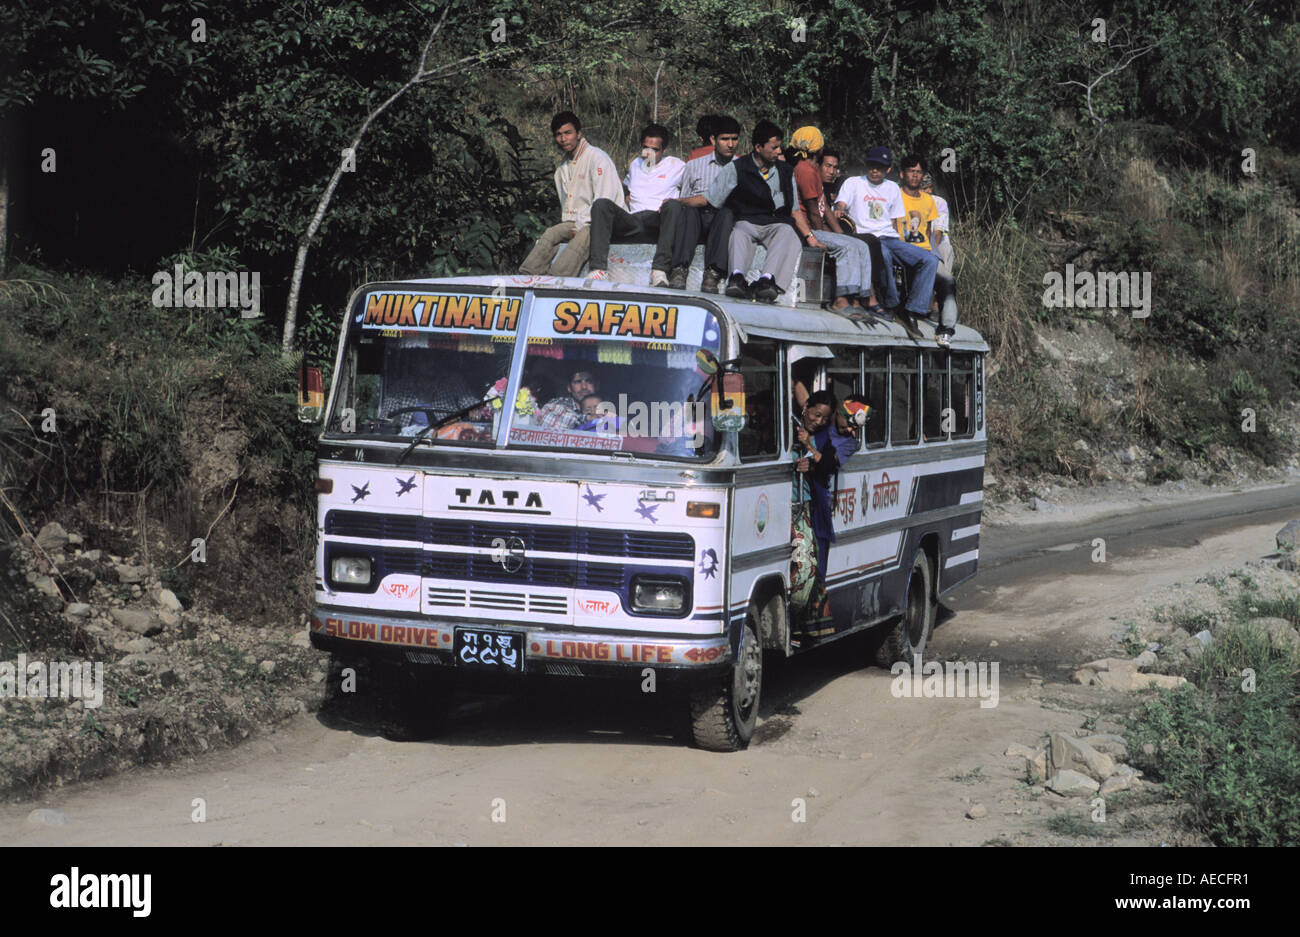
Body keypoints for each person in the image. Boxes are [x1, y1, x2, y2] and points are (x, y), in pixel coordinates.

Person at [705, 120, 821, 303]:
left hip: (776, 223)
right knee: (739, 233)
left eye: (779, 147)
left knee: (788, 233)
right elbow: (713, 199)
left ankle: (767, 280)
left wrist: (810, 237)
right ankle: (736, 277)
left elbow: (794, 210)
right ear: (758, 147)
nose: (779, 152)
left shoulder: (785, 171)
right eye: (774, 148)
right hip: (748, 220)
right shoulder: (737, 167)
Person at [834, 146, 937, 326]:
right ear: (866, 166)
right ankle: (891, 304)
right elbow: (841, 205)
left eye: (880, 167)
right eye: (872, 166)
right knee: (885, 255)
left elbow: (895, 222)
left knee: (930, 260)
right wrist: (840, 210)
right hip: (867, 237)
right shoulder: (854, 183)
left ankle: (913, 309)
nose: (875, 170)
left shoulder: (892, 188)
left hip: (890, 237)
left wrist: (901, 245)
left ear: (888, 169)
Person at [519, 112, 624, 277]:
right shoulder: (562, 168)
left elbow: (605, 199)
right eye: (558, 135)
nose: (563, 139)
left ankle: (558, 277)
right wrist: (571, 227)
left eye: (568, 133)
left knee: (583, 235)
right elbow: (567, 208)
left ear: (579, 134)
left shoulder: (597, 158)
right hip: (575, 221)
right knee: (551, 233)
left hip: (603, 221)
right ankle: (527, 274)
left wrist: (580, 225)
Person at [586, 123, 686, 285]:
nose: (649, 153)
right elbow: (626, 188)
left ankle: (659, 270)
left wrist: (676, 202)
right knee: (601, 204)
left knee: (673, 206)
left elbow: (693, 188)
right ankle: (598, 269)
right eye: (646, 148)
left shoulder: (677, 166)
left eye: (655, 150)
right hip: (634, 220)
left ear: (664, 150)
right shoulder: (635, 164)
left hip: (658, 219)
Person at [789, 126, 874, 312]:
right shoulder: (805, 170)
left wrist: (840, 233)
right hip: (810, 230)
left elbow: (824, 207)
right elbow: (813, 212)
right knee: (848, 247)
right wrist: (820, 236)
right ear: (818, 149)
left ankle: (861, 297)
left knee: (861, 245)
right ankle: (841, 299)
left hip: (818, 227)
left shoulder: (812, 169)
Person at [659, 115, 742, 291]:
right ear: (713, 139)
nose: (730, 144)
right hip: (696, 219)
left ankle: (713, 273)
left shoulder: (742, 167)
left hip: (722, 222)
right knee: (688, 210)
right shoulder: (694, 165)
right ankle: (679, 269)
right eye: (724, 139)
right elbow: (686, 196)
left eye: (734, 139)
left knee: (727, 212)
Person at [921, 171, 959, 347]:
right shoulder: (908, 199)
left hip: (936, 242)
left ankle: (937, 304)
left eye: (928, 188)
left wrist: (930, 252)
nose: (926, 191)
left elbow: (938, 231)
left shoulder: (939, 203)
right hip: (917, 241)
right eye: (923, 188)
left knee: (945, 250)